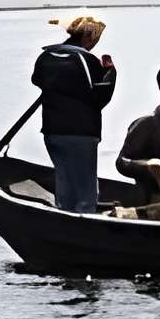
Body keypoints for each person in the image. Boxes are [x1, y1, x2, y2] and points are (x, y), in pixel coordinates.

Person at [30, 14, 120, 213]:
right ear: (87, 37)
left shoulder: (46, 57)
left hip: (53, 132)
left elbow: (36, 80)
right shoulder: (87, 60)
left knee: (65, 184)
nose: (95, 43)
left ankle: (64, 216)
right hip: (81, 135)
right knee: (85, 192)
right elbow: (100, 96)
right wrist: (111, 72)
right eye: (95, 39)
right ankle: (85, 223)